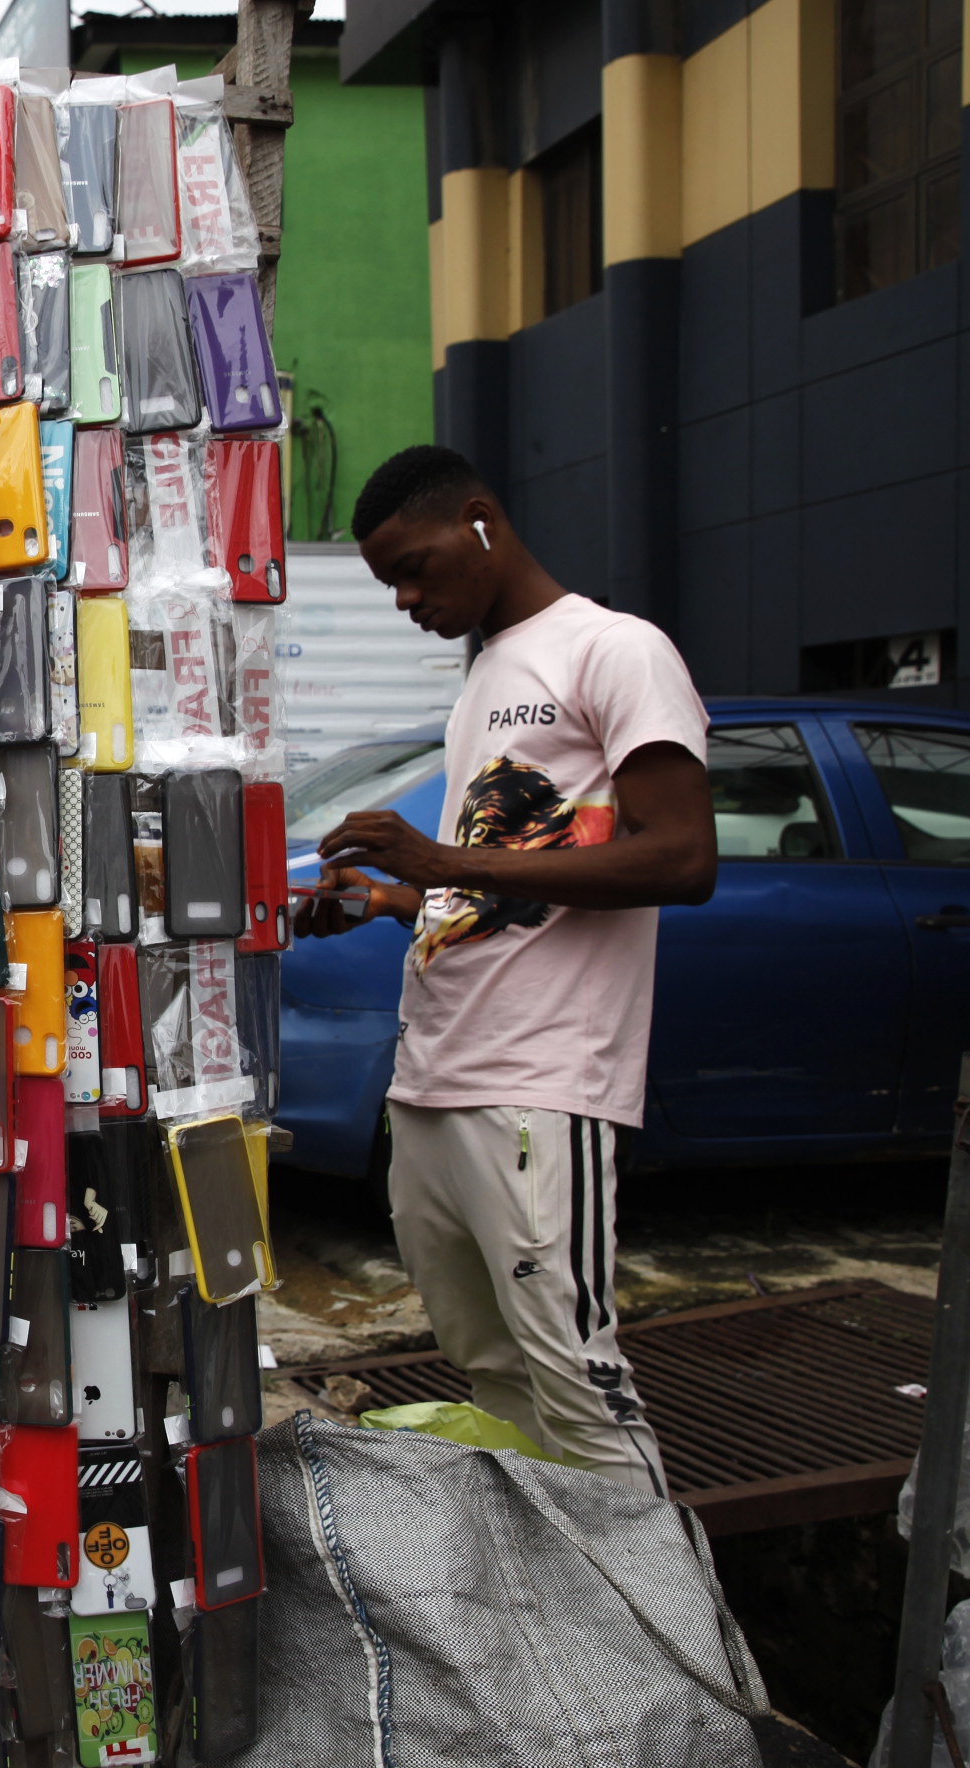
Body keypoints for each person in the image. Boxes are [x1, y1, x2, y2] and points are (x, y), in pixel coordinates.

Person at [302, 445, 717, 1497]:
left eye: (414, 567)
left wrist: (437, 860)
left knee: (578, 1376)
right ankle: (561, 1616)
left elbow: (683, 855)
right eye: (387, 581)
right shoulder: (486, 673)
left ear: (481, 522)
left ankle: (665, 1645)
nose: (404, 599)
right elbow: (520, 876)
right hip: (432, 1079)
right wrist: (398, 901)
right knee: (492, 1376)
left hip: (538, 1084)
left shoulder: (615, 650)